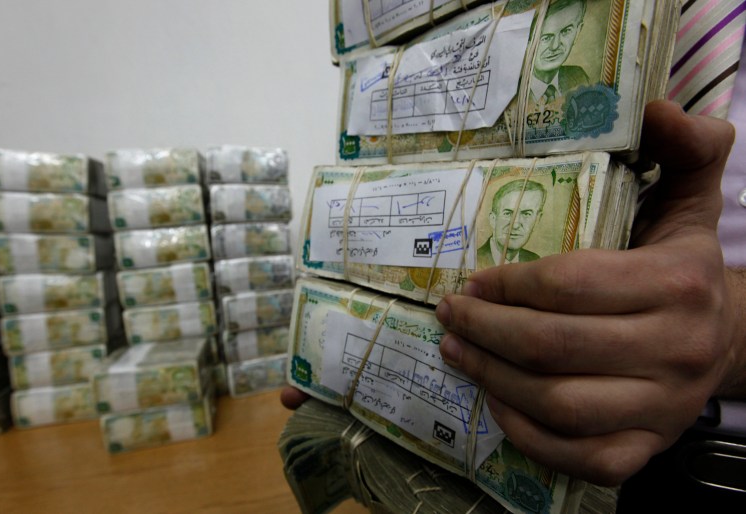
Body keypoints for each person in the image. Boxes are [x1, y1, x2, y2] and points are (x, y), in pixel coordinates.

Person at [280, 99, 746, 506]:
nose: (519, 225)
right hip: (430, 470)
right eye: (510, 214)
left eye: (529, 215)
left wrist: (736, 331)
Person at [530, 0, 590, 105]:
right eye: (545, 38)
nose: (555, 46)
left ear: (577, 32)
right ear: (526, 43)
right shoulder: (510, 96)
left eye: (566, 31)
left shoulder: (579, 77)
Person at [475, 179, 546, 267]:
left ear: (537, 220)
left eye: (526, 214)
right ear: (493, 219)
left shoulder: (534, 261)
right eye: (508, 213)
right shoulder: (473, 261)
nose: (515, 225)